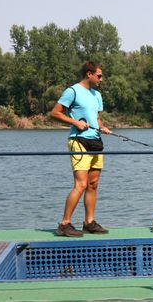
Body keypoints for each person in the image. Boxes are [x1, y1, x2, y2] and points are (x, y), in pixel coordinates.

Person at [50, 61, 111, 237]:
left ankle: (89, 223)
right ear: (88, 74)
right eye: (99, 75)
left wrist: (102, 127)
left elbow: (97, 118)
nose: (101, 78)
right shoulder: (73, 91)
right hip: (78, 140)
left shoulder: (96, 94)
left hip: (96, 141)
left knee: (93, 184)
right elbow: (55, 113)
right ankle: (64, 224)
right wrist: (75, 122)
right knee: (81, 184)